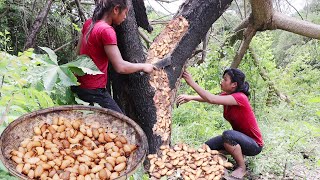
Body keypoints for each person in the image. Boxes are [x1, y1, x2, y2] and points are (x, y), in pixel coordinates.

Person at [176, 68, 264, 179]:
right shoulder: (228, 95)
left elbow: (211, 99)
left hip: (254, 145)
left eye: (225, 79)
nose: (221, 81)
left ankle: (242, 167)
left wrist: (191, 82)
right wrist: (191, 98)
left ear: (234, 84)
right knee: (206, 148)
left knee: (228, 135)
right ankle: (227, 156)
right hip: (239, 139)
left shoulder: (240, 97)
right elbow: (209, 98)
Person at [72, 0, 155, 113]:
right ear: (116, 10)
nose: (125, 17)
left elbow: (78, 55)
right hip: (94, 90)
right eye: (125, 13)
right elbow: (120, 67)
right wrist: (143, 66)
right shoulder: (106, 30)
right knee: (121, 124)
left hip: (78, 85)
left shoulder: (89, 23)